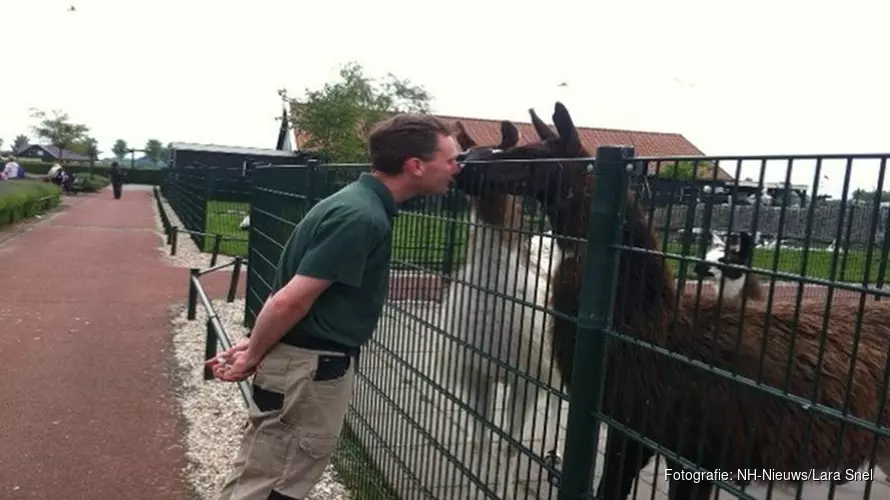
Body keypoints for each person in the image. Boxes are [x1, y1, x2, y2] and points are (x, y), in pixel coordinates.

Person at [206, 113, 461, 500]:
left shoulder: (352, 204)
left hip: (299, 360)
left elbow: (292, 295)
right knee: (275, 484)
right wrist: (252, 356)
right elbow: (292, 299)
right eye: (451, 159)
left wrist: (258, 346)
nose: (457, 168)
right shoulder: (362, 217)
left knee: (260, 473)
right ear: (416, 165)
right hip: (310, 371)